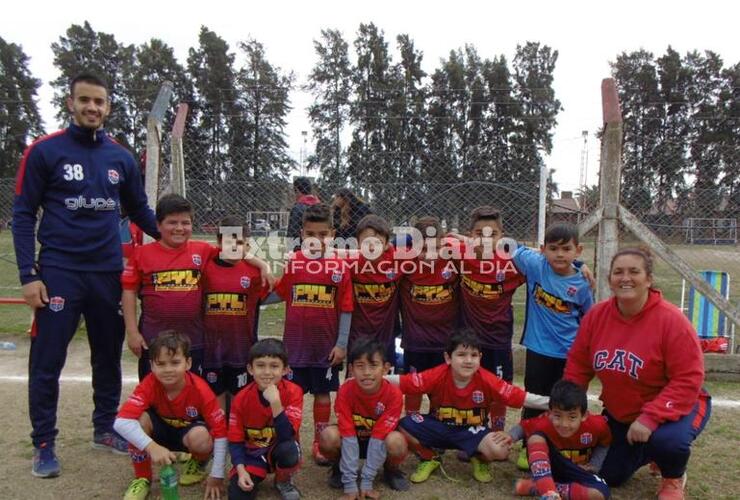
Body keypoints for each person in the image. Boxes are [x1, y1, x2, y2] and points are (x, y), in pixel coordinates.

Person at [12, 71, 159, 477]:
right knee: (47, 360)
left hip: (108, 272)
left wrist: (174, 237)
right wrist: (29, 274)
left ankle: (104, 428)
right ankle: (43, 442)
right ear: (71, 103)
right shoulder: (44, 151)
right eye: (85, 101)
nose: (92, 108)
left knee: (107, 356)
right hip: (59, 270)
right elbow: (23, 215)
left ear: (108, 107)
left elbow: (141, 211)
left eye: (100, 102)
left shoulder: (120, 158)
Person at [564, 247, 711, 500]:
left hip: (680, 406)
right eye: (618, 272)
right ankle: (651, 452)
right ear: (610, 279)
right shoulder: (597, 316)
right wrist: (568, 405)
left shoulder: (671, 320)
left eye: (634, 271)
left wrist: (650, 417)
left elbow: (688, 379)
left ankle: (673, 476)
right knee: (610, 476)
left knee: (668, 442)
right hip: (623, 413)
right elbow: (579, 364)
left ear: (648, 279)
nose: (625, 278)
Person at [388, 330, 549, 484]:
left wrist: (553, 403)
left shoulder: (487, 380)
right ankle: (430, 457)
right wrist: (377, 378)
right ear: (448, 358)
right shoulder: (438, 374)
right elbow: (405, 382)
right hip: (439, 426)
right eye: (461, 355)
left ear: (480, 358)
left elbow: (521, 397)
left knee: (501, 450)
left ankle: (479, 458)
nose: (468, 360)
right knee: (403, 425)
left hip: (472, 431)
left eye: (474, 355)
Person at [272, 203, 354, 465]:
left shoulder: (339, 267)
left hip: (324, 347)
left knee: (322, 394)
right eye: (310, 234)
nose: (316, 240)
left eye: (323, 234)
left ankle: (319, 443)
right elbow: (279, 293)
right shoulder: (294, 262)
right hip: (295, 346)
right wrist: (254, 294)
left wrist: (341, 345)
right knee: (291, 394)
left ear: (332, 234)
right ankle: (292, 441)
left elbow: (346, 309)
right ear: (301, 234)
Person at [114, 331, 227, 500]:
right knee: (137, 421)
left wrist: (217, 475)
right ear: (152, 365)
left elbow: (221, 433)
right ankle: (143, 478)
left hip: (187, 434)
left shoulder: (201, 390)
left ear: (188, 363)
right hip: (159, 433)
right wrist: (152, 447)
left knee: (202, 438)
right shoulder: (149, 383)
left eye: (175, 362)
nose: (168, 370)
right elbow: (120, 423)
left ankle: (197, 461)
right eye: (161, 364)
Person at [121, 194, 214, 380]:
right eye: (172, 222)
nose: (179, 228)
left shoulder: (204, 251)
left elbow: (234, 250)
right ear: (158, 225)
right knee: (154, 397)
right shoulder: (141, 254)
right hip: (153, 340)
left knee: (193, 394)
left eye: (185, 223)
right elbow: (129, 292)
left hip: (193, 340)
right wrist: (132, 332)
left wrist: (262, 265)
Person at [455, 206, 526, 432]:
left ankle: (496, 431)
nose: (486, 240)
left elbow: (547, 262)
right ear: (470, 235)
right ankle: (474, 428)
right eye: (479, 234)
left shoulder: (513, 263)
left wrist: (579, 265)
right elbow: (429, 240)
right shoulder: (458, 255)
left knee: (499, 388)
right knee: (469, 386)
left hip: (498, 337)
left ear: (502, 237)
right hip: (469, 338)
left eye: (492, 234)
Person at [319, 338, 409, 497]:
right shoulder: (345, 390)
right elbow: (347, 434)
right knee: (328, 437)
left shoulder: (394, 394)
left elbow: (379, 436)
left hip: (378, 441)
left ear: (386, 368)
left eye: (373, 365)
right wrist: (350, 485)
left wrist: (366, 481)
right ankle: (340, 469)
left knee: (397, 442)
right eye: (360, 366)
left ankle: (391, 470)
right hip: (352, 439)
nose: (367, 372)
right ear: (351, 369)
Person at [202, 215, 268, 411]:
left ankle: (236, 439)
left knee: (239, 401)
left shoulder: (254, 273)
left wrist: (263, 265)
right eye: (230, 241)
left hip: (241, 349)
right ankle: (220, 440)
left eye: (240, 242)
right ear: (219, 242)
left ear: (247, 245)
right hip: (211, 351)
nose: (235, 247)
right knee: (216, 400)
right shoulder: (205, 267)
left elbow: (275, 292)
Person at [509, 379, 611, 499]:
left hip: (579, 471)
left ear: (584, 416)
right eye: (557, 415)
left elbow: (604, 443)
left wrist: (595, 465)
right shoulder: (545, 423)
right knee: (535, 437)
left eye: (572, 417)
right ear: (550, 413)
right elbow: (524, 426)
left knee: (600, 494)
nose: (564, 424)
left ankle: (536, 487)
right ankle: (549, 493)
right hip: (550, 468)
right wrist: (509, 437)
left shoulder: (597, 425)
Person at [228, 339, 304, 500]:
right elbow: (235, 441)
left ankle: (283, 480)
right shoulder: (241, 399)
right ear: (250, 369)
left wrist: (276, 403)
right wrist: (241, 471)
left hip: (279, 448)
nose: (267, 372)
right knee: (237, 496)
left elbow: (286, 436)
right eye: (261, 365)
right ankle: (254, 473)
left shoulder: (294, 392)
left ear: (285, 370)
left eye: (274, 366)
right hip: (253, 454)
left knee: (289, 450)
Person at [398, 216, 459, 415]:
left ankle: (435, 429)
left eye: (434, 248)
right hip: (416, 341)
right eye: (423, 249)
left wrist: (456, 237)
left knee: (440, 390)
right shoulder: (405, 263)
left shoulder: (454, 260)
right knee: (414, 388)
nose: (429, 256)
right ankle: (411, 428)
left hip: (444, 342)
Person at [346, 215, 402, 368]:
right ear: (358, 243)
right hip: (357, 335)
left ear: (386, 245)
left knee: (385, 380)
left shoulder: (398, 260)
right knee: (356, 380)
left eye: (377, 243)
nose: (371, 248)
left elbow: (422, 242)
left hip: (386, 335)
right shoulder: (350, 264)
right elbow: (324, 255)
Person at [286, 176, 320, 250]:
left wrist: (291, 251)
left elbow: (293, 233)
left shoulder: (298, 208)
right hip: (319, 248)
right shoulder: (320, 206)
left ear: (297, 190)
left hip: (302, 249)